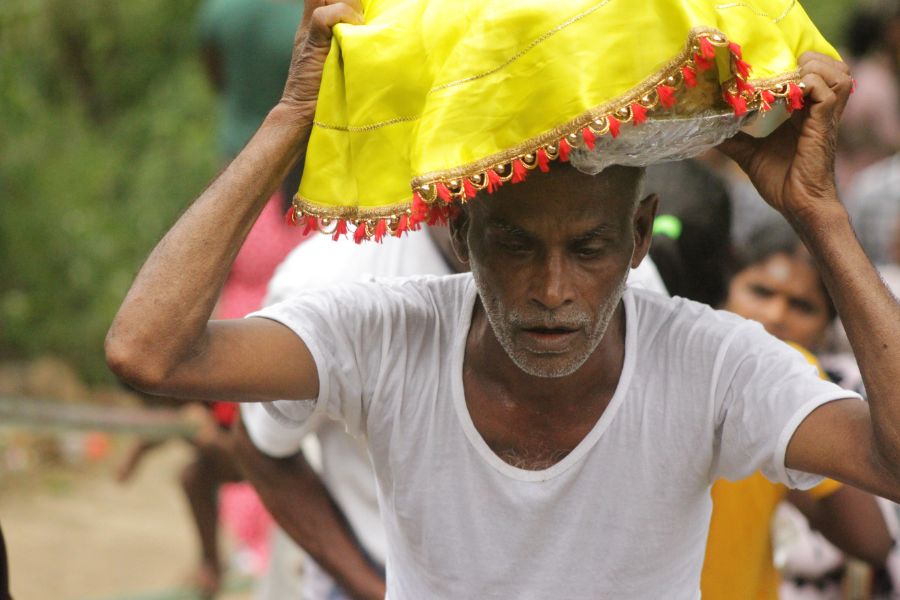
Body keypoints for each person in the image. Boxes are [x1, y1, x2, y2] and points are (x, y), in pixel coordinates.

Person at [105, 3, 900, 597]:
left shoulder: (713, 363)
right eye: (514, 244)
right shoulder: (386, 335)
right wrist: (294, 116)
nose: (551, 292)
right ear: (460, 234)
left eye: (588, 249)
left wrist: (819, 215)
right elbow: (150, 351)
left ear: (636, 242)